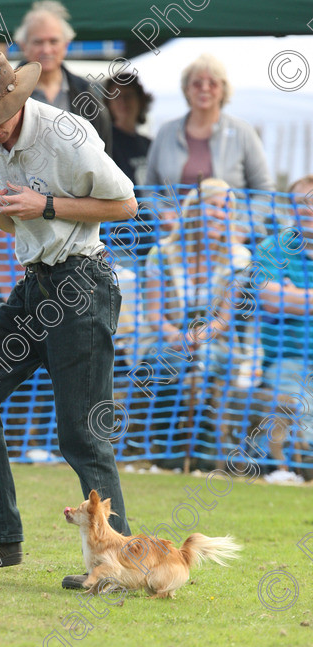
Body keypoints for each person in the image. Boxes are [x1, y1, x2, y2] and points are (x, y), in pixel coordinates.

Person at [0, 51, 137, 587]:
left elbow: (124, 205)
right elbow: (5, 223)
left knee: (82, 436)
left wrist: (44, 205)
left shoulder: (67, 133)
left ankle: (121, 564)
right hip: (35, 285)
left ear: (16, 99)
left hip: (82, 286)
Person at [130, 179, 251, 465]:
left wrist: (200, 337)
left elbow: (224, 318)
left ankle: (206, 452)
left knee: (206, 362)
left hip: (215, 340)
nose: (219, 214)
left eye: (225, 209)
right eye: (213, 205)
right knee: (166, 363)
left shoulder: (239, 259)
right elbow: (155, 315)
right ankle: (165, 449)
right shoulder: (161, 254)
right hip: (166, 338)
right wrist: (179, 338)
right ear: (195, 209)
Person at [145, 54, 273, 193]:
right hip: (175, 215)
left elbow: (264, 190)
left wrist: (240, 215)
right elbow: (149, 187)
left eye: (212, 83)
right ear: (187, 89)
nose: (205, 89)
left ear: (223, 90)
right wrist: (163, 212)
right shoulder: (166, 132)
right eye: (197, 83)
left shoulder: (243, 132)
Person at [253, 175, 313, 465]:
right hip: (286, 359)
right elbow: (271, 301)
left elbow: (282, 300)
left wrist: (296, 296)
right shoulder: (272, 247)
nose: (307, 209)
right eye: (301, 203)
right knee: (294, 407)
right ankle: (284, 466)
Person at [15, 1, 112, 151]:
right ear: (23, 46)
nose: (46, 50)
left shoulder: (86, 94)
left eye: (53, 41)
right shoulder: (5, 93)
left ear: (66, 45)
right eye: (38, 42)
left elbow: (103, 158)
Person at [103, 74, 153, 185]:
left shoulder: (149, 144)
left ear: (140, 100)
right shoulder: (104, 142)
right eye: (116, 97)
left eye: (128, 96)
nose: (123, 102)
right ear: (108, 103)